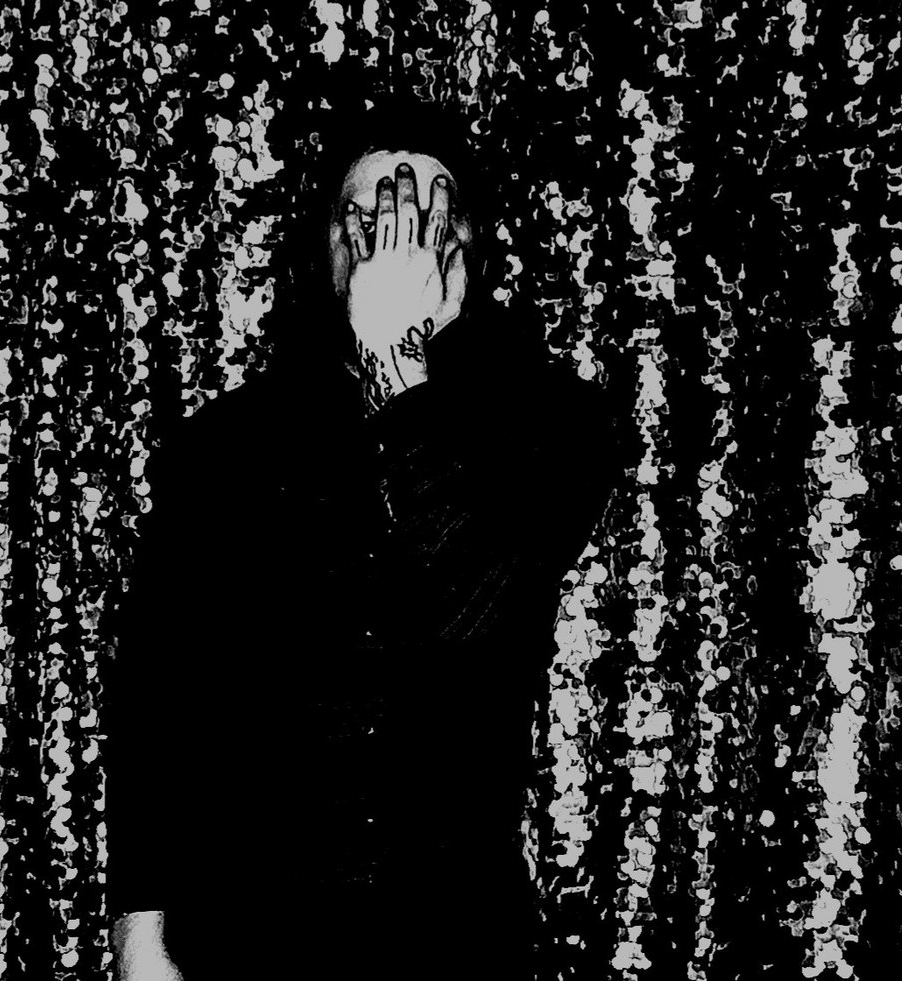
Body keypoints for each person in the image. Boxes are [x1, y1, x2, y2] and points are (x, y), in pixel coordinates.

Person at [104, 98, 626, 980]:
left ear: (470, 249)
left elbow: (473, 613)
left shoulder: (551, 425)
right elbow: (159, 697)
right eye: (370, 216)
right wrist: (140, 931)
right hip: (247, 945)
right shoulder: (222, 448)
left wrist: (399, 368)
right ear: (325, 248)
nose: (397, 242)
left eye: (426, 217)